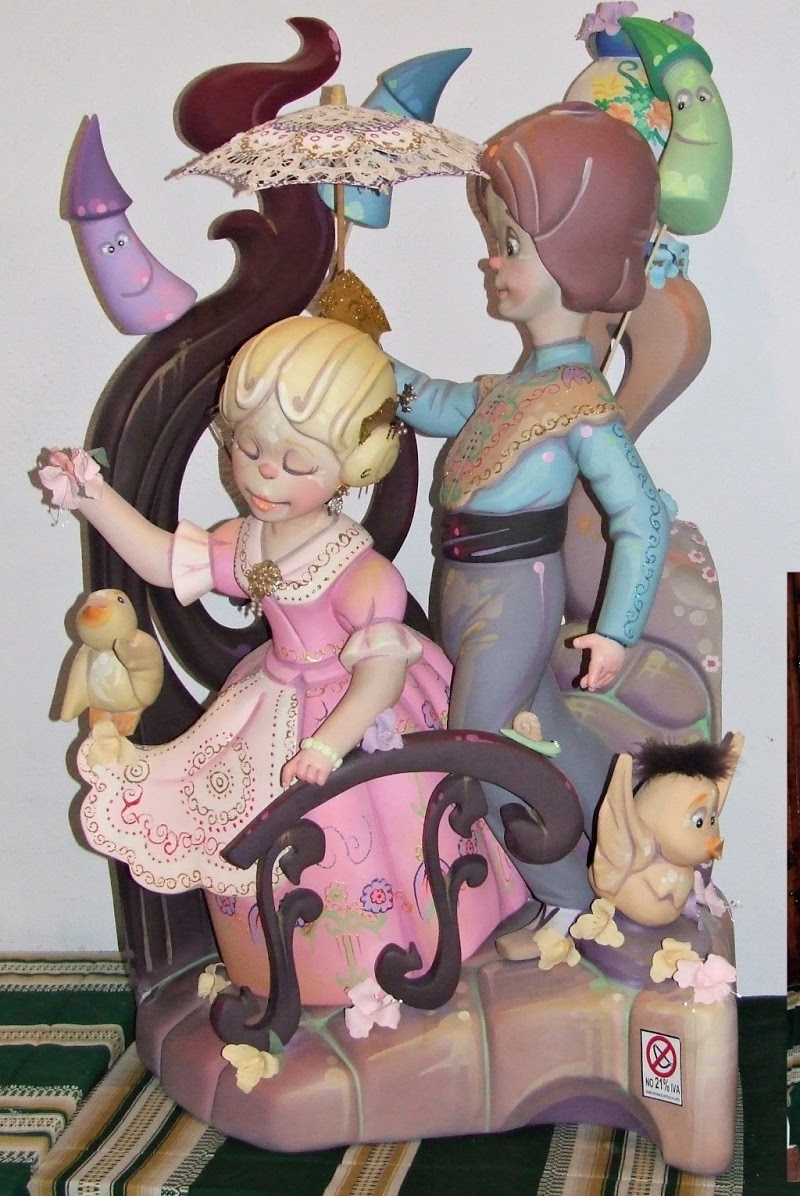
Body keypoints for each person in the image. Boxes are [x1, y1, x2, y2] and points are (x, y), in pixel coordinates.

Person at [38, 316, 531, 1007]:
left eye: (298, 463)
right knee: (231, 813)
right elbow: (161, 559)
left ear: (354, 464)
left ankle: (385, 966)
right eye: (249, 449)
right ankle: (289, 973)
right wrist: (92, 495)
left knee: (377, 834)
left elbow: (381, 673)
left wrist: (330, 743)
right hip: (272, 694)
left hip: (355, 714)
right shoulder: (246, 541)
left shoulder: (358, 571)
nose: (266, 474)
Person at [390, 102, 672, 920]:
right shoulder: (510, 390)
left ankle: (565, 897)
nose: (492, 260)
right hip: (461, 586)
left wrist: (616, 631)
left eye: (511, 244)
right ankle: (625, 833)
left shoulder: (581, 404)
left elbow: (643, 517)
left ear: (574, 256)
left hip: (517, 592)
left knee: (476, 750)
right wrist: (358, 348)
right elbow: (429, 400)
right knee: (535, 726)